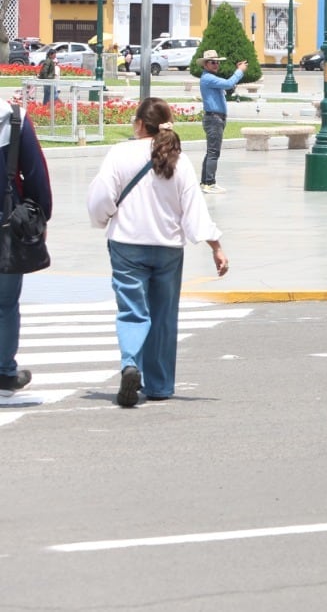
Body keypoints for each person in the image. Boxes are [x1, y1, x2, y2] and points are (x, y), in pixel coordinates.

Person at [85, 98, 227, 408]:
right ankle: (160, 384)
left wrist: (102, 219)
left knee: (132, 311)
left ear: (139, 123)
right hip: (167, 249)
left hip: (127, 244)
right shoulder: (180, 160)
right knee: (163, 316)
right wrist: (215, 245)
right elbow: (194, 211)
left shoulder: (120, 154)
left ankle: (130, 364)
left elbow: (101, 198)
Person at [0, 103, 52, 395]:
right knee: (5, 304)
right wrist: (40, 215)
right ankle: (4, 371)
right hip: (5, 226)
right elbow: (36, 174)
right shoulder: (14, 118)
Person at [198, 49, 246, 195]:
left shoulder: (210, 78)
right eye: (213, 62)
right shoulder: (208, 78)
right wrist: (240, 71)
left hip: (216, 118)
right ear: (205, 64)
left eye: (217, 62)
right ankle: (209, 183)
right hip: (214, 119)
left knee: (211, 152)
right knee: (213, 152)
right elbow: (228, 83)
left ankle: (206, 182)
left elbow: (227, 86)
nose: (216, 65)